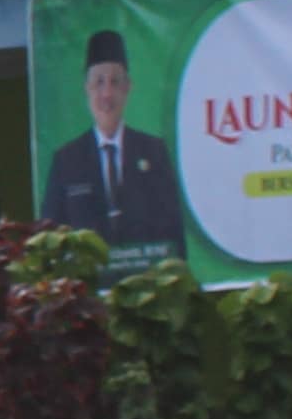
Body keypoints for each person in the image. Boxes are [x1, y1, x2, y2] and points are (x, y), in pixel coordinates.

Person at [38, 26, 184, 251]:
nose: (106, 94)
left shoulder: (154, 152)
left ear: (127, 87)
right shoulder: (66, 161)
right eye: (99, 82)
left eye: (115, 82)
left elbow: (175, 235)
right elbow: (50, 238)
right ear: (86, 89)